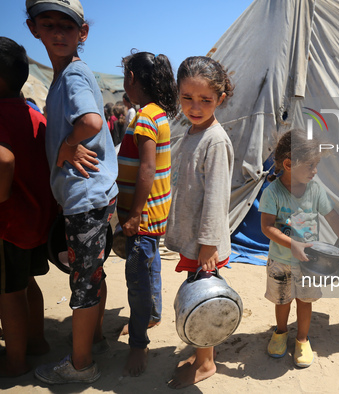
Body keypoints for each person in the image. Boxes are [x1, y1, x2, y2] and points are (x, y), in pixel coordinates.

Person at [26, 0, 119, 384]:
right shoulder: (69, 75)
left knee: (82, 284)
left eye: (67, 26)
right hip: (93, 195)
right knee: (91, 274)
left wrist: (67, 146)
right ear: (34, 29)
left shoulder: (74, 78)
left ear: (82, 33)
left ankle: (81, 366)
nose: (58, 33)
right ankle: (93, 339)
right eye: (49, 25)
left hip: (85, 198)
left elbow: (92, 121)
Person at [164, 56, 234, 389]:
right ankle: (201, 354)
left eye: (205, 100)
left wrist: (208, 244)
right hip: (194, 236)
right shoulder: (191, 131)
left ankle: (206, 363)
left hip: (204, 242)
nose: (195, 106)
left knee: (204, 299)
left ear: (220, 99)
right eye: (187, 98)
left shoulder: (215, 140)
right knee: (197, 297)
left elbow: (217, 197)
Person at [260, 129, 339, 368]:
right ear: (289, 164)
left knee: (305, 300)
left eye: (317, 165)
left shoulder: (315, 190)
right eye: (311, 165)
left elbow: (332, 215)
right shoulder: (273, 193)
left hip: (310, 262)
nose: (315, 171)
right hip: (281, 260)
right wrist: (293, 244)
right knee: (282, 300)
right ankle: (281, 332)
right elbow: (267, 227)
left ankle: (302, 338)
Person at [116, 51, 178, 377]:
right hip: (155, 211)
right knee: (150, 267)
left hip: (143, 214)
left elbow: (147, 168)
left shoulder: (144, 118)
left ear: (132, 79)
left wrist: (134, 214)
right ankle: (152, 314)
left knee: (138, 279)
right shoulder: (158, 113)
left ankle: (139, 343)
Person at [0, 36, 57, 377]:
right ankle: (37, 342)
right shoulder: (34, 114)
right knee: (27, 284)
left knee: (8, 293)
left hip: (8, 223)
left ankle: (16, 361)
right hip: (37, 220)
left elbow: (4, 161)